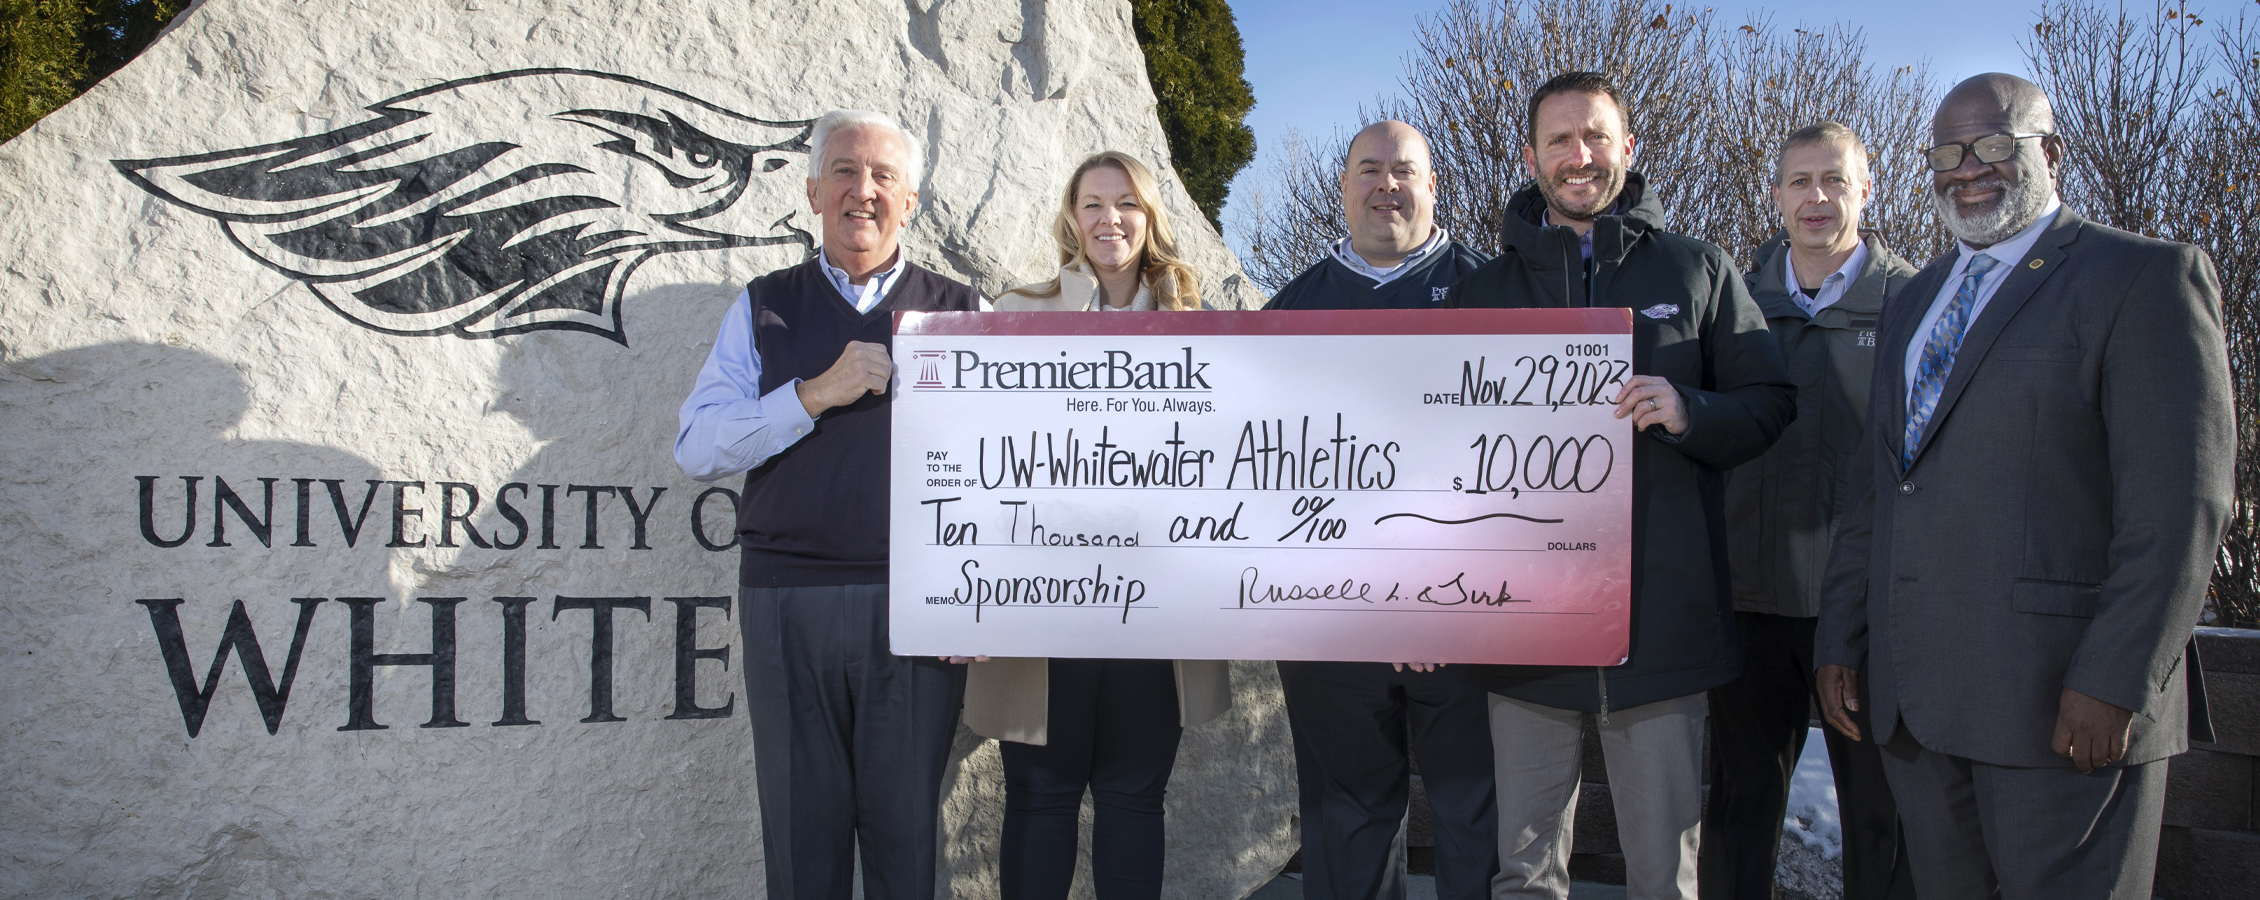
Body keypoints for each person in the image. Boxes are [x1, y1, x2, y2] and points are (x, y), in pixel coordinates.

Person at [1813, 73, 2232, 900]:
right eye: (1947, 151)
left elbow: (2182, 508)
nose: (1969, 167)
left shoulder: (2142, 278)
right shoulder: (1918, 299)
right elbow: (1879, 492)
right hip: (1919, 714)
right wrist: (1841, 639)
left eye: (1995, 144)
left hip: (2062, 712)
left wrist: (2116, 679)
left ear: (2051, 152)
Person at [1444, 72, 1795, 900]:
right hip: (1526, 639)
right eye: (1560, 139)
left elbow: (1772, 403)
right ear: (1530, 156)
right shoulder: (1481, 293)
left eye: (1596, 135)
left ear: (1628, 149)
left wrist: (1689, 408)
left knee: (1663, 879)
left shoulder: (1700, 270)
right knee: (1526, 876)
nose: (1579, 155)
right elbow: (1435, 455)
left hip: (1661, 639)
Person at [673, 109, 984, 900]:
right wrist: (814, 394)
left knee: (906, 838)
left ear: (910, 203)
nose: (863, 191)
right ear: (813, 192)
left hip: (915, 608)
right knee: (801, 838)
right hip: (786, 601)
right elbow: (698, 445)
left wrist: (983, 599)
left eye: (884, 177)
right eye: (844, 171)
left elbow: (996, 465)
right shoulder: (763, 305)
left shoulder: (962, 310)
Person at [968, 150, 1233, 900]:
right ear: (1071, 217)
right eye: (1092, 204)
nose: (1108, 219)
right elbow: (976, 459)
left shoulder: (1204, 330)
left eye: (1126, 204)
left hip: (1156, 610)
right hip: (1042, 607)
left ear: (1150, 219)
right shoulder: (1015, 313)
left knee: (1132, 799)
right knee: (1042, 799)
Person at [1261, 120, 1500, 900]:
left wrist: (1429, 595)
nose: (1386, 185)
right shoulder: (1289, 310)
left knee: (1475, 820)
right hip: (1333, 626)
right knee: (1345, 825)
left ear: (1435, 186)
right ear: (1343, 187)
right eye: (1369, 169)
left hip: (1470, 622)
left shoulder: (1494, 294)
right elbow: (1264, 477)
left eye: (1405, 170)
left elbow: (1522, 471)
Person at [1697, 121, 1917, 900]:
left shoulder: (1912, 305)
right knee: (1738, 810)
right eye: (1798, 181)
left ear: (1867, 187)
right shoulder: (1733, 304)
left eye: (1833, 180)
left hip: (1863, 614)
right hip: (1749, 607)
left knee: (1881, 818)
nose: (1815, 198)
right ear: (1777, 194)